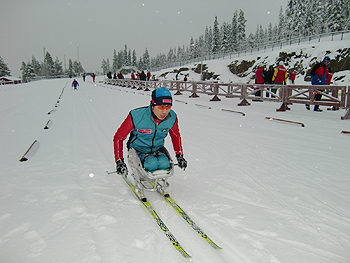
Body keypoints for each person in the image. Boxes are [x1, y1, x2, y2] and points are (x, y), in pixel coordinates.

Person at [113, 87, 187, 175]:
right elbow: (118, 137)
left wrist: (179, 155)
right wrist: (119, 161)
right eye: (161, 107)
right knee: (151, 164)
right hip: (138, 150)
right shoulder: (136, 116)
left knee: (165, 164)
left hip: (157, 149)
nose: (165, 111)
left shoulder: (172, 117)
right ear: (153, 104)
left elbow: (175, 136)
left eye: (168, 107)